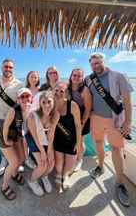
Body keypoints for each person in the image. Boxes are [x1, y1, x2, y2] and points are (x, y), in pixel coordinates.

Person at [85, 53, 133, 207]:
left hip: (115, 120)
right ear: (90, 65)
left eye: (98, 63)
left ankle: (119, 183)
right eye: (93, 64)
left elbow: (127, 101)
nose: (96, 66)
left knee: (116, 149)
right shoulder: (88, 78)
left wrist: (128, 122)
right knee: (99, 142)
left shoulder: (119, 76)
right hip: (95, 118)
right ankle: (100, 166)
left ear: (104, 62)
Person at [0, 59, 23, 176]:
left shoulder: (19, 84)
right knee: (1, 141)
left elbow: (23, 100)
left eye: (10, 67)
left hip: (12, 118)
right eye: (6, 67)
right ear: (2, 67)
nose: (8, 69)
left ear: (13, 69)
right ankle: (3, 161)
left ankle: (16, 161)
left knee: (14, 139)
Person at [0, 88, 32, 200]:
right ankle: (4, 186)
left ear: (31, 98)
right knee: (13, 162)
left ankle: (14, 174)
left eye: (27, 96)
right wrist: (6, 140)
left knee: (21, 158)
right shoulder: (14, 110)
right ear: (18, 99)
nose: (25, 99)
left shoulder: (30, 109)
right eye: (22, 97)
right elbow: (6, 126)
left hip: (16, 135)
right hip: (4, 136)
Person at [25, 91, 59, 196]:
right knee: (43, 165)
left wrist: (49, 151)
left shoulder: (55, 115)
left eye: (49, 102)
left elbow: (51, 133)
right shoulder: (32, 115)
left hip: (46, 137)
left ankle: (44, 176)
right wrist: (43, 152)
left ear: (54, 101)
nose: (47, 105)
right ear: (39, 103)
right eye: (43, 102)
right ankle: (32, 181)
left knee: (51, 163)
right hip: (33, 138)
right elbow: (35, 136)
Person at [53, 83, 81, 190]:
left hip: (71, 139)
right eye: (56, 90)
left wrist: (78, 143)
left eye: (61, 91)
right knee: (58, 164)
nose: (58, 93)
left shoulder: (72, 105)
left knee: (70, 167)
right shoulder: (50, 105)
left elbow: (78, 125)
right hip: (57, 139)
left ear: (66, 94)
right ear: (52, 91)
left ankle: (65, 175)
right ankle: (59, 174)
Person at [67, 68, 92, 171]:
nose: (76, 77)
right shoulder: (66, 88)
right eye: (74, 75)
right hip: (70, 120)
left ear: (82, 77)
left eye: (79, 76)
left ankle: (79, 159)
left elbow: (88, 108)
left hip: (83, 119)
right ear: (71, 76)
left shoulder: (85, 90)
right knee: (71, 140)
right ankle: (71, 158)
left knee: (80, 141)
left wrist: (82, 123)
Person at [24, 71, 40, 169]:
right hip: (27, 117)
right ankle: (27, 158)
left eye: (35, 77)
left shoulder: (39, 89)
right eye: (32, 77)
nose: (33, 79)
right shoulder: (25, 90)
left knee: (36, 137)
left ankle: (35, 156)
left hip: (38, 118)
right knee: (26, 138)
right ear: (28, 78)